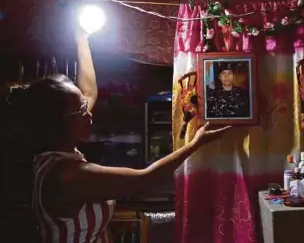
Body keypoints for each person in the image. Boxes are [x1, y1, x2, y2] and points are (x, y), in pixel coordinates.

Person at [4, 28, 231, 243]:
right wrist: (195, 143)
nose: (90, 113)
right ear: (59, 122)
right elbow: (145, 180)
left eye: (84, 105)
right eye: (82, 110)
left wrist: (82, 37)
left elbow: (90, 92)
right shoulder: (68, 175)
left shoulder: (53, 153)